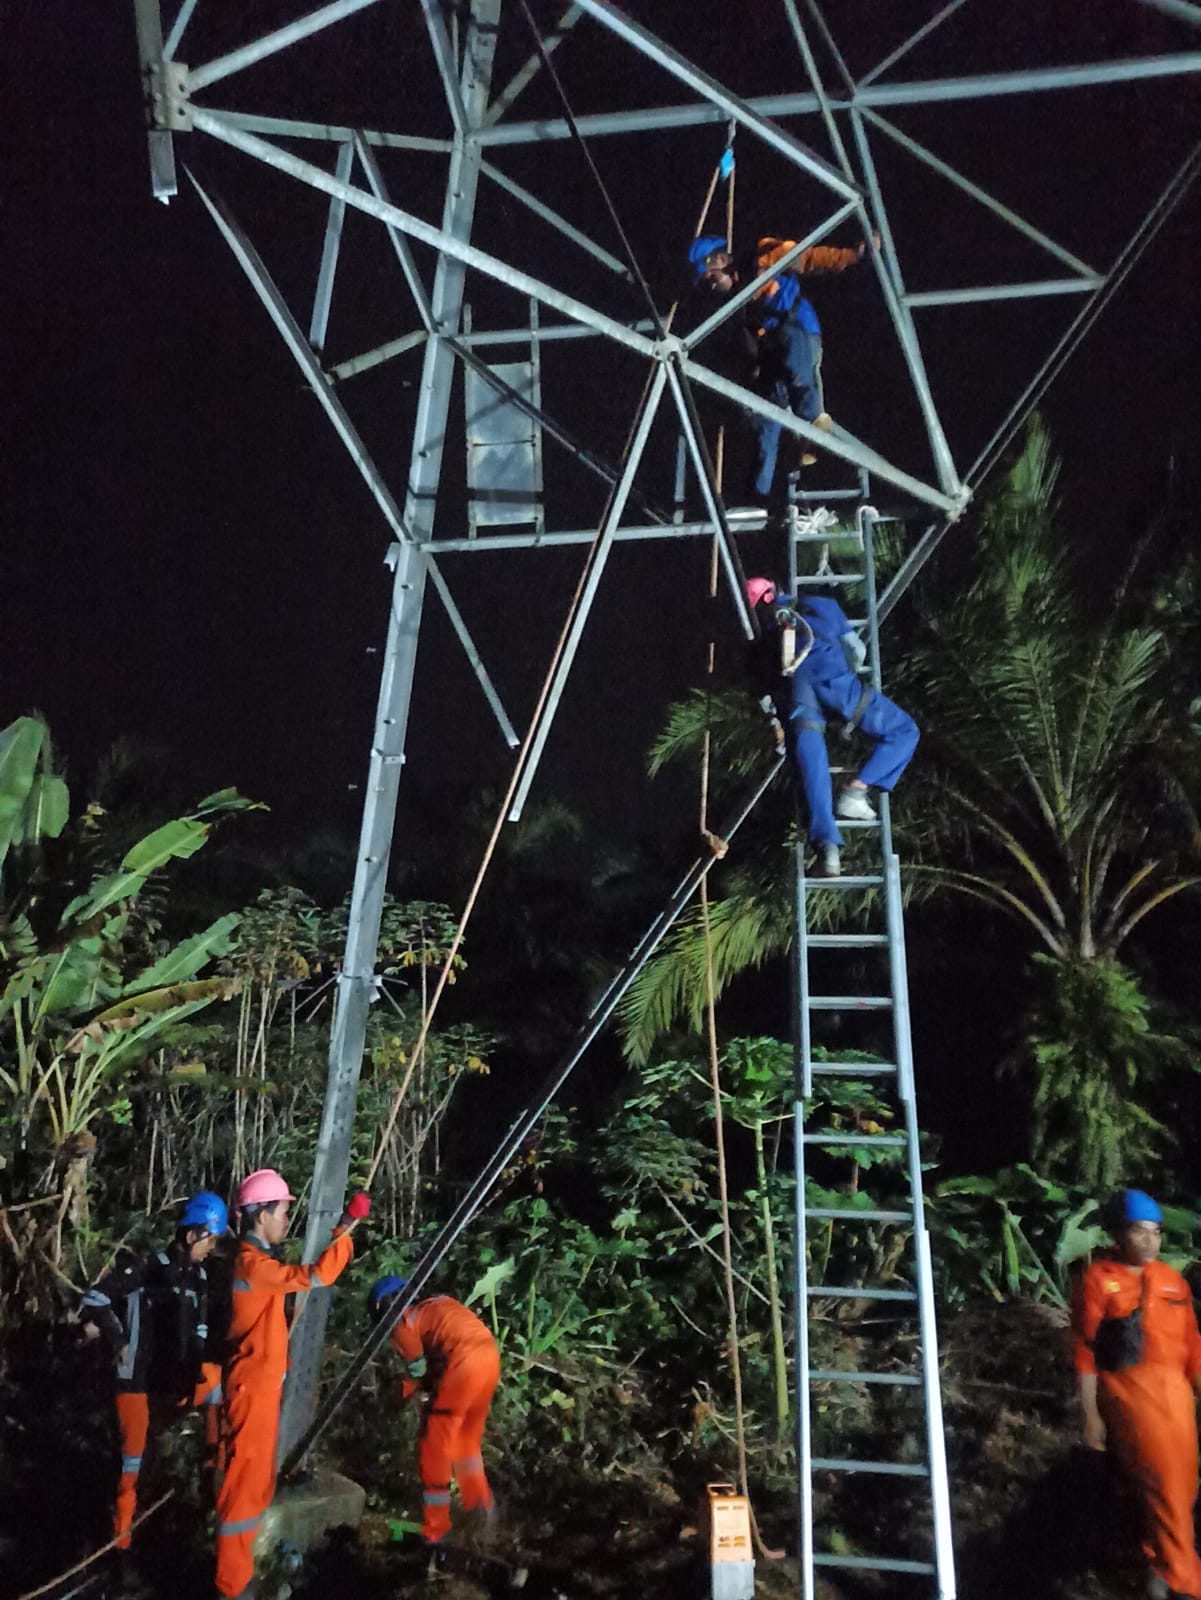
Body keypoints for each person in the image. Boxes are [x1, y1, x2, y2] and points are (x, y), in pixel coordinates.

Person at [215, 1170, 370, 1600]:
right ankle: (231, 1587)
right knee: (243, 1493)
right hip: (250, 1391)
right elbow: (317, 1276)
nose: (287, 1219)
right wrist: (346, 1228)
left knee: (257, 1486)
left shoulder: (256, 1262)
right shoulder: (253, 1265)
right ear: (261, 1214)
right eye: (282, 1211)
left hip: (260, 1391)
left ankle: (240, 1577)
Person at [79, 1190, 228, 1550]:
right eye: (211, 1238)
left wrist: (195, 1363)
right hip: (137, 1380)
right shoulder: (149, 1268)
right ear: (193, 1234)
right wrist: (119, 1339)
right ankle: (120, 1548)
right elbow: (95, 1298)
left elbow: (200, 1328)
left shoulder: (199, 1278)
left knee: (223, 1387)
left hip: (173, 1380)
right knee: (133, 1464)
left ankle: (215, 1483)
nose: (212, 1247)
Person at [1072, 1189, 1201, 1600]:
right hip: (1129, 1393)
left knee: (1182, 1487)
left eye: (1156, 1232)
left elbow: (1193, 1345)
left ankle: (1158, 1570)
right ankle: (1187, 1582)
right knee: (1164, 1482)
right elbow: (1084, 1350)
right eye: (1138, 1232)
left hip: (1177, 1398)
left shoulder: (1172, 1281)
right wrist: (1090, 1413)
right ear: (1116, 1233)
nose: (1149, 1242)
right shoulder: (1097, 1279)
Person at [746, 576, 918, 877]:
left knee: (813, 771)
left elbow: (766, 698)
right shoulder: (823, 605)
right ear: (777, 591)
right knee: (905, 731)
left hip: (800, 699)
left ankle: (829, 853)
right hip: (837, 684)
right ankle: (857, 790)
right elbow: (857, 653)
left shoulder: (763, 645)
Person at [688, 230, 876, 505]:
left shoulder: (763, 257)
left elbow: (810, 257)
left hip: (798, 328)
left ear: (719, 259)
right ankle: (757, 496)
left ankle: (815, 429)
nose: (712, 287)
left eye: (711, 279)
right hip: (774, 347)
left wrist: (852, 255)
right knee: (767, 417)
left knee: (796, 373)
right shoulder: (737, 300)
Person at [369, 1276, 501, 1561]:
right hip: (488, 1357)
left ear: (383, 1306)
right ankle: (481, 1512)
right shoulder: (437, 1305)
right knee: (465, 1442)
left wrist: (400, 1396)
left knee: (434, 1443)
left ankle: (436, 1528)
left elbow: (417, 1369)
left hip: (464, 1362)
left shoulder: (402, 1318)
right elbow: (436, 1359)